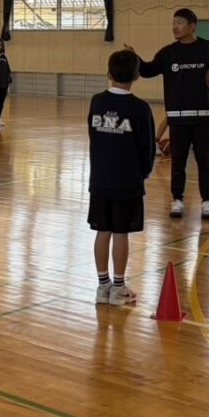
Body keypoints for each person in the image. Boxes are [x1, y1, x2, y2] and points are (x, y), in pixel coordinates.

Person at [125, 8, 209, 220]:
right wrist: (135, 57)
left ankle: (207, 201)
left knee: (204, 161)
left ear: (192, 26)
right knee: (178, 162)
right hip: (178, 118)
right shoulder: (168, 53)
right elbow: (148, 70)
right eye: (173, 23)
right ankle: (177, 199)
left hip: (204, 116)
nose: (175, 27)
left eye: (179, 22)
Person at [88, 50, 155, 307]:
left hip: (100, 180)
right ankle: (117, 288)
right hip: (127, 183)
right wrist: (144, 172)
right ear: (137, 76)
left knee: (102, 231)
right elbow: (147, 146)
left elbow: (93, 135)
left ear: (108, 73)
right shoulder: (140, 108)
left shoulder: (97, 102)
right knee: (120, 233)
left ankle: (102, 287)